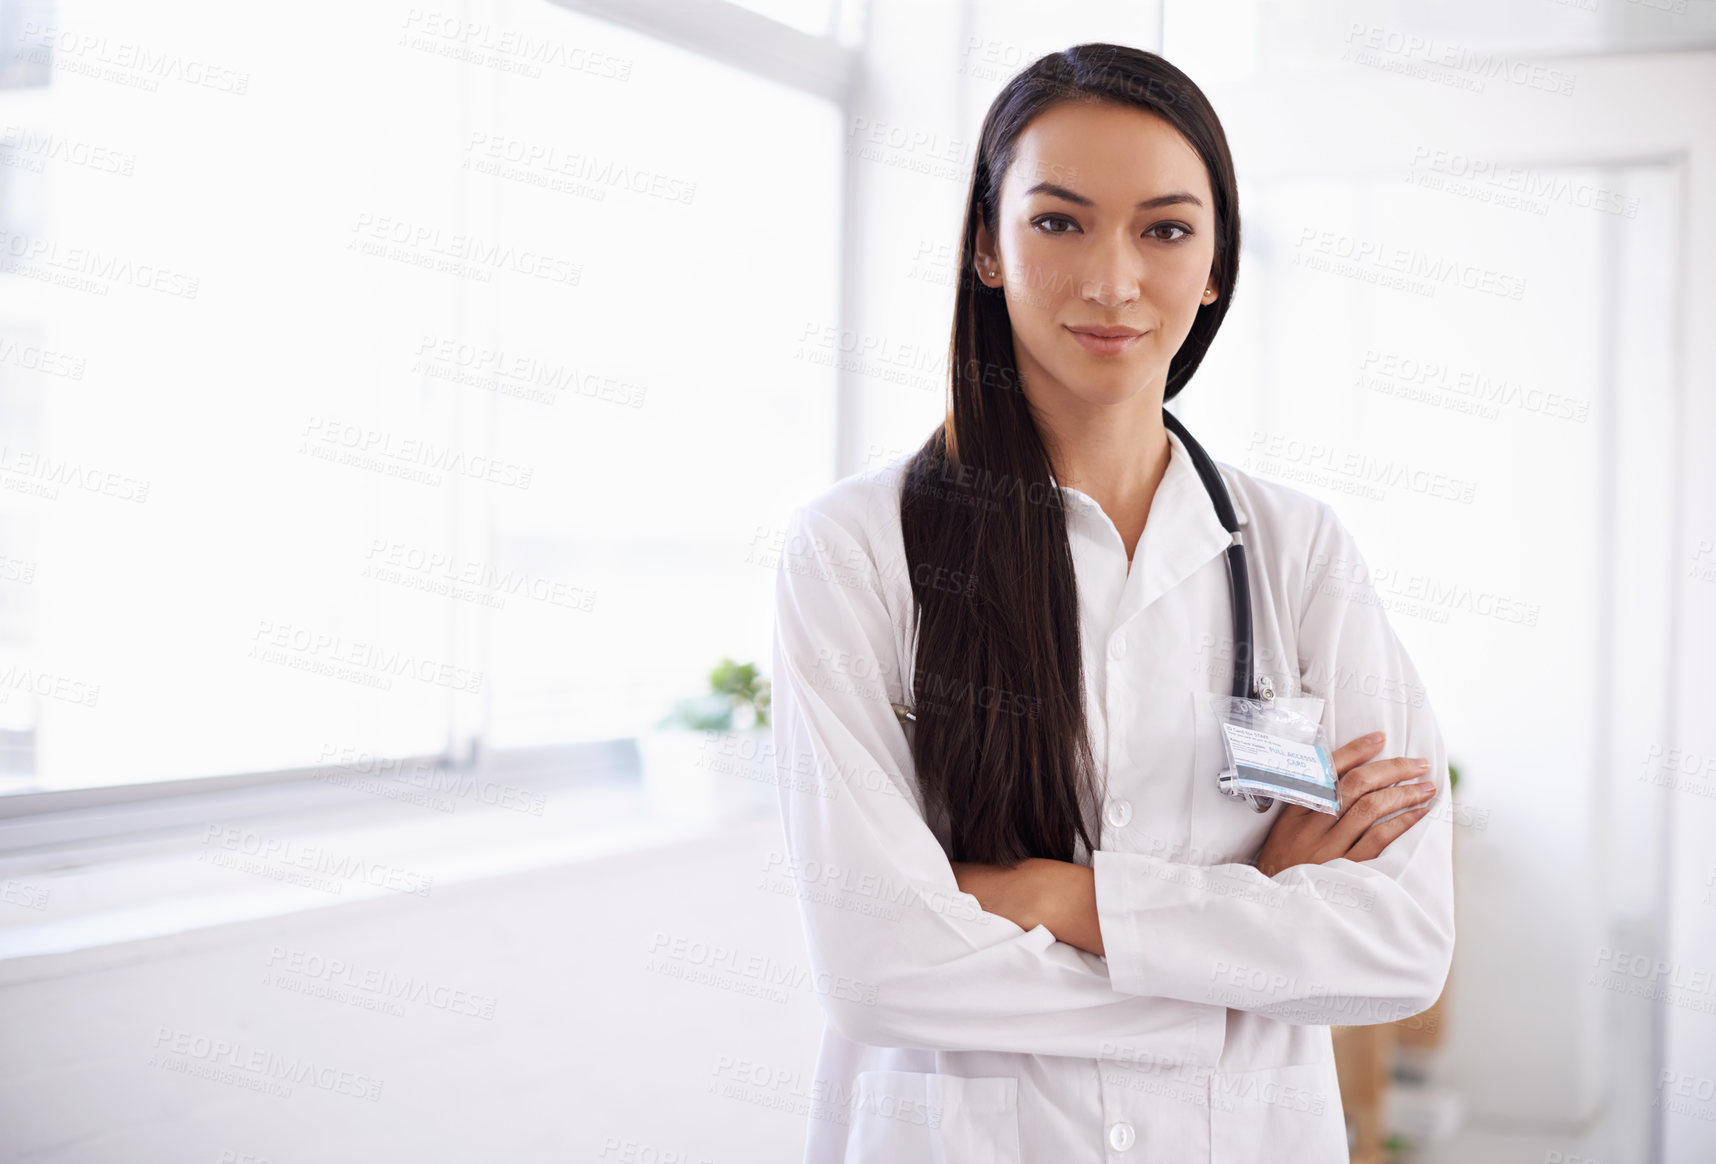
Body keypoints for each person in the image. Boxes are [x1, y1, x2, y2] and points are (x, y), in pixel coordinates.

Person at [769, 42, 1454, 1163]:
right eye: (1059, 221)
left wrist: (1063, 901)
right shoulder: (858, 550)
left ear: (1218, 264)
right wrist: (1246, 935)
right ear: (987, 246)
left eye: (1166, 230)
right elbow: (881, 970)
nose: (1112, 281)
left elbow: (1399, 946)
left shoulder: (1299, 553)